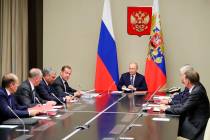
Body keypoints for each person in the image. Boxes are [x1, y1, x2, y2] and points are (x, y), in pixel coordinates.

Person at [161, 70, 210, 140]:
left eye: (183, 79)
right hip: (193, 118)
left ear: (188, 81)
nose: (182, 80)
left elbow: (183, 108)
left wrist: (166, 109)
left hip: (196, 125)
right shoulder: (196, 86)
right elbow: (184, 104)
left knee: (170, 129)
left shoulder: (196, 91)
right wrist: (169, 106)